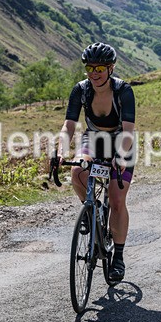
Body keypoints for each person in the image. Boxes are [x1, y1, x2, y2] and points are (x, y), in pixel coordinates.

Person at [52, 42, 135, 282]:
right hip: (94, 137)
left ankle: (117, 256)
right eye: (90, 68)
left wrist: (120, 156)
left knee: (117, 199)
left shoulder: (123, 91)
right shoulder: (81, 90)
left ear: (111, 68)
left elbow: (129, 130)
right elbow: (69, 125)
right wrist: (60, 152)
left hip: (122, 140)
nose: (94, 73)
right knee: (78, 171)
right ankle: (91, 210)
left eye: (100, 68)